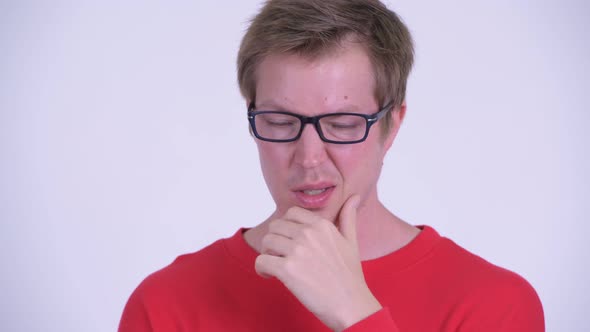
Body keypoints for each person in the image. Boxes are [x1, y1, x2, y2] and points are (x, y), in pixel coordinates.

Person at [119, 0, 544, 331]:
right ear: (252, 120)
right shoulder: (165, 304)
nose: (309, 157)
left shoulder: (496, 305)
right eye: (280, 122)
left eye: (342, 124)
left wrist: (356, 313)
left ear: (391, 126)